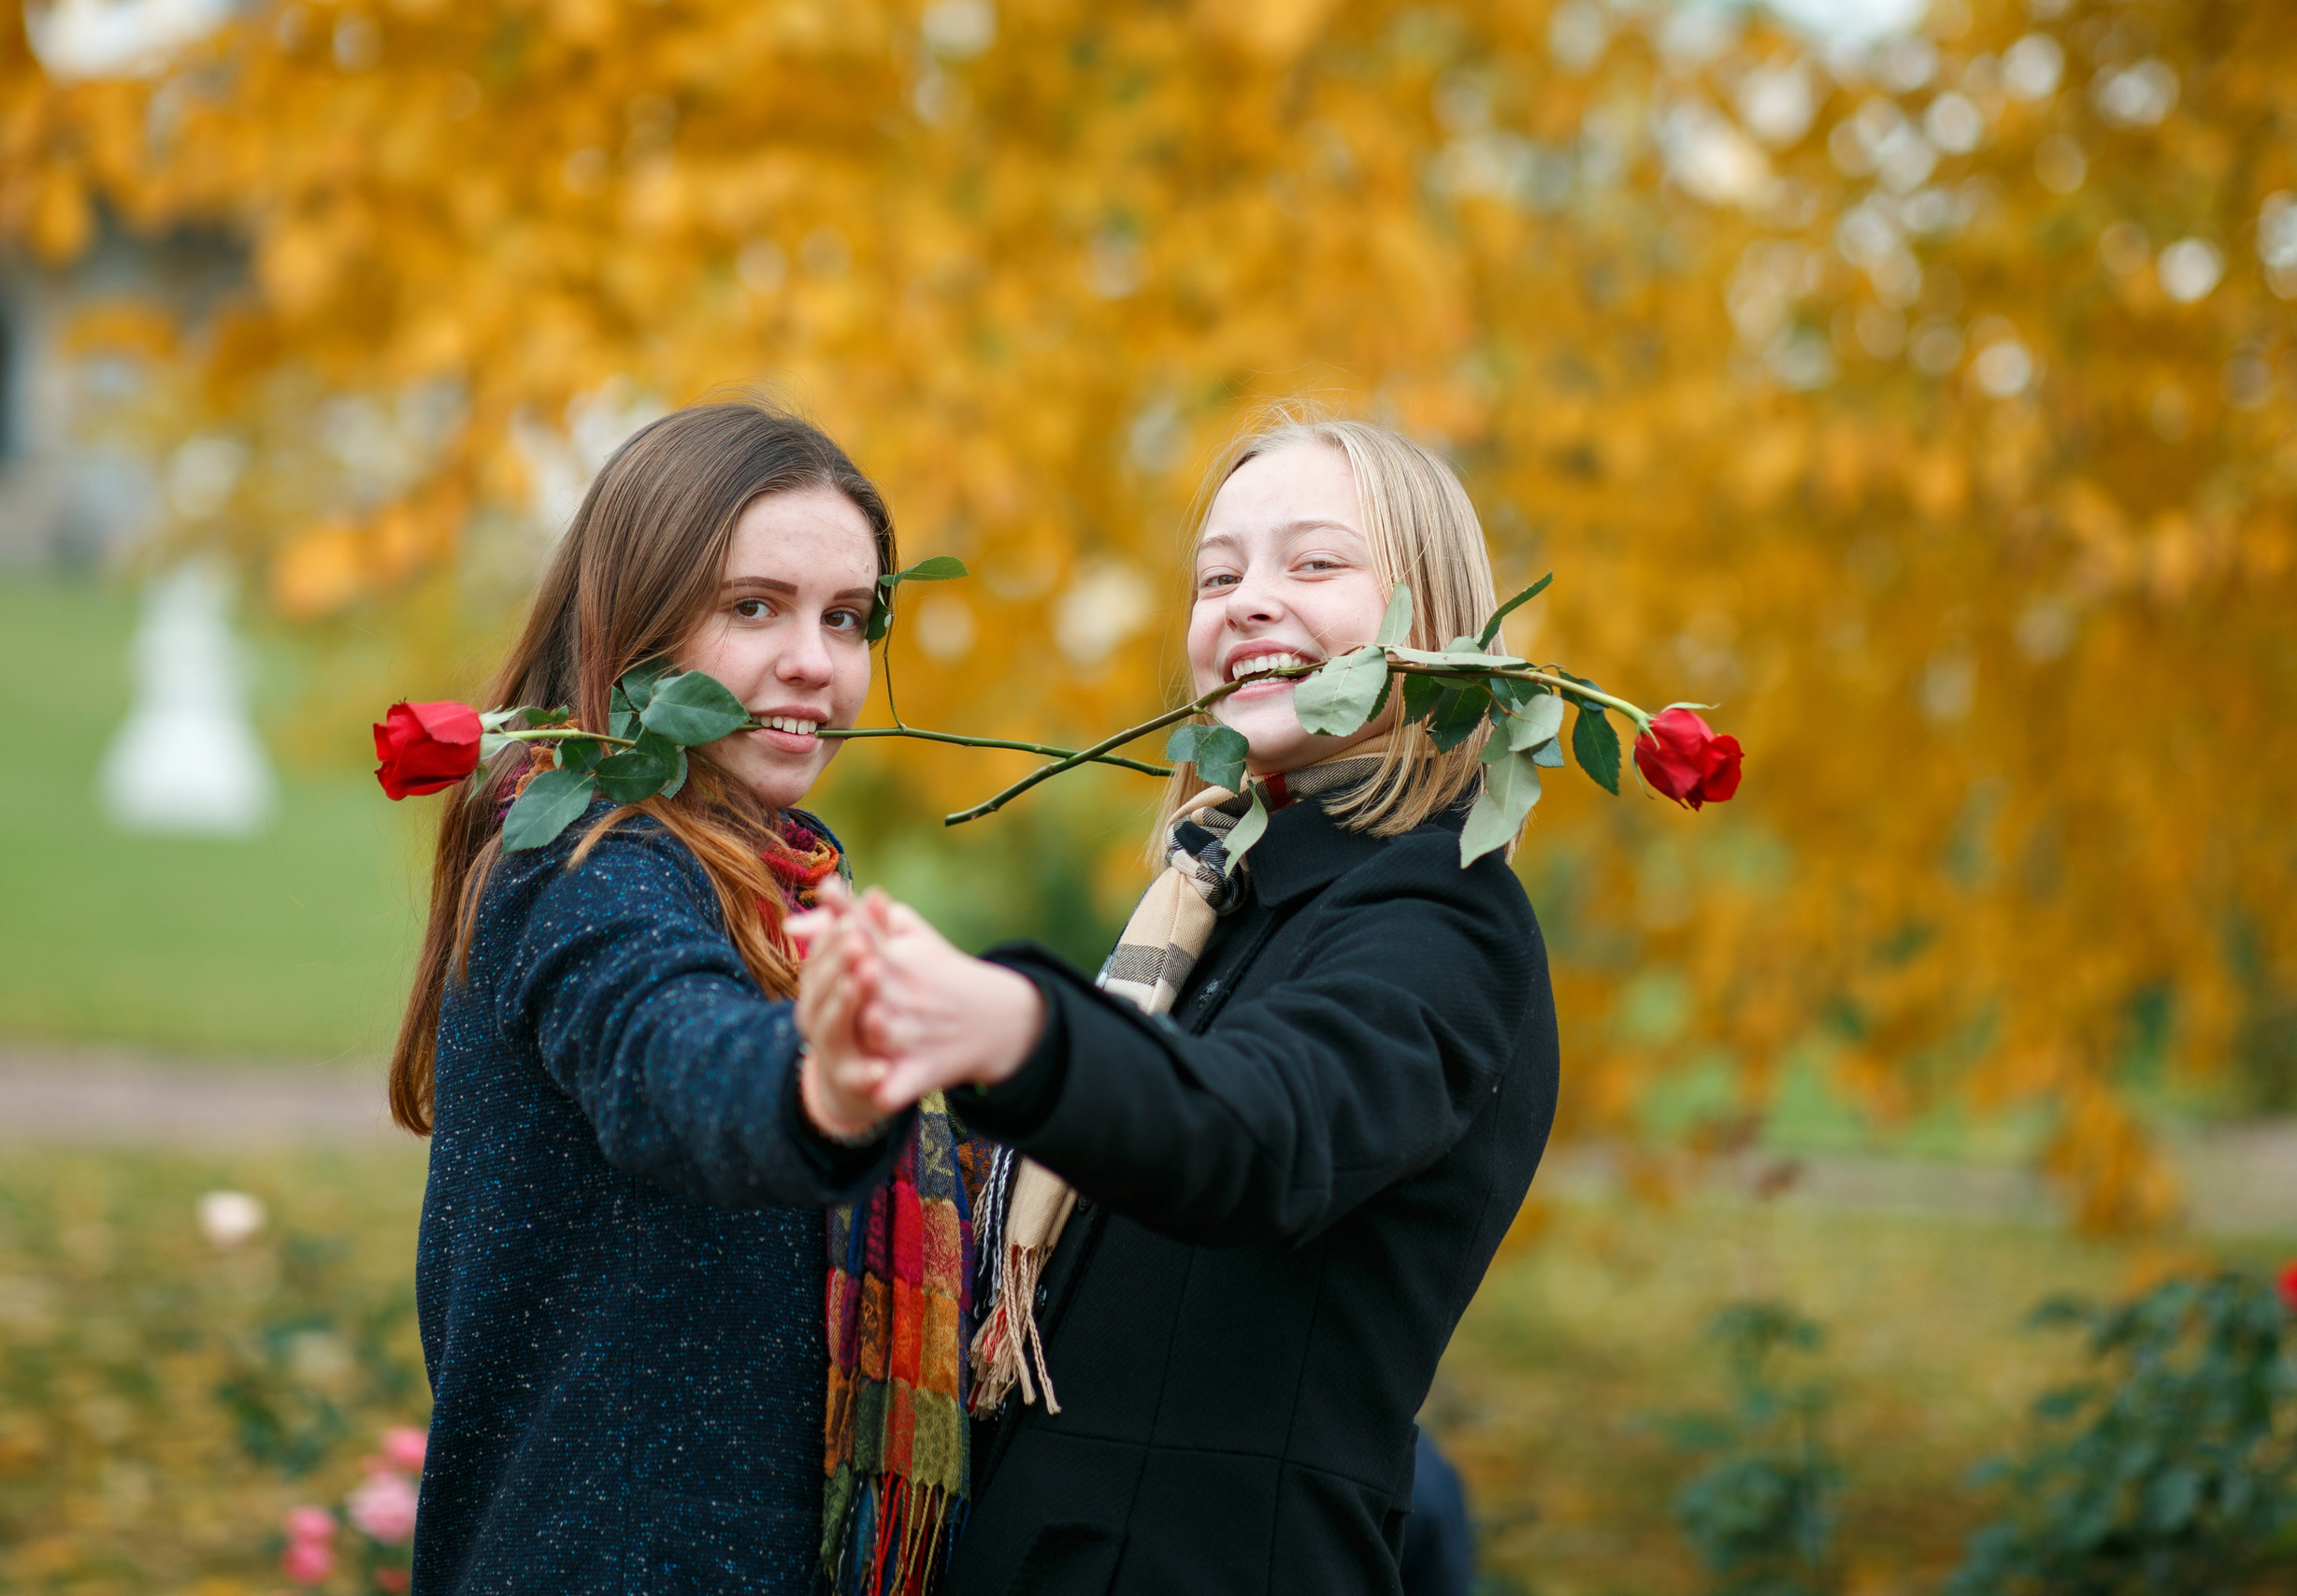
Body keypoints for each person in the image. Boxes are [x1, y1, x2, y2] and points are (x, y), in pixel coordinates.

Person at [794, 415, 1558, 1595]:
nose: (1249, 602)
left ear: (1441, 632)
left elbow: (1257, 1129)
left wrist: (1020, 1030)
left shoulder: (1440, 918)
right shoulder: (1206, 909)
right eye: (1218, 575)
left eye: (1313, 564)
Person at [394, 402, 982, 1594]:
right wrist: (814, 1082)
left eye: (847, 618)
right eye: (752, 607)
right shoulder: (589, 863)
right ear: (636, 625)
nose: (812, 662)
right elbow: (668, 1051)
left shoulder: (786, 885)